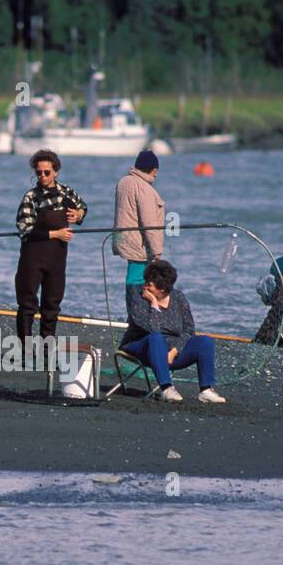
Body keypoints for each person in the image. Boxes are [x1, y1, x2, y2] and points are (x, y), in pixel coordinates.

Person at [120, 258, 226, 404]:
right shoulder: (138, 298)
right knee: (156, 338)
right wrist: (154, 304)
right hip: (141, 345)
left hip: (171, 352)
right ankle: (166, 388)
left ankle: (206, 390)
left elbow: (189, 330)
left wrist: (174, 351)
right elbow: (152, 329)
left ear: (162, 289)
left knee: (205, 341)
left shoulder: (178, 298)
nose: (145, 286)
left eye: (149, 285)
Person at [14, 149, 87, 349]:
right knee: (27, 306)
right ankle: (26, 351)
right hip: (32, 259)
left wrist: (78, 214)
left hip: (57, 261)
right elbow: (25, 231)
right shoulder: (31, 197)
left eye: (47, 172)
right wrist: (56, 234)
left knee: (52, 307)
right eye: (39, 173)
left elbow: (83, 207)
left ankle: (47, 350)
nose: (42, 176)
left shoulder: (66, 192)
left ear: (56, 171)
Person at [113, 150, 166, 314]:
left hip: (124, 239)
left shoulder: (123, 181)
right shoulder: (145, 189)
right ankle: (136, 314)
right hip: (139, 244)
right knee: (138, 278)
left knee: (134, 276)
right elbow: (149, 222)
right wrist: (157, 251)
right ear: (154, 170)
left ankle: (135, 312)